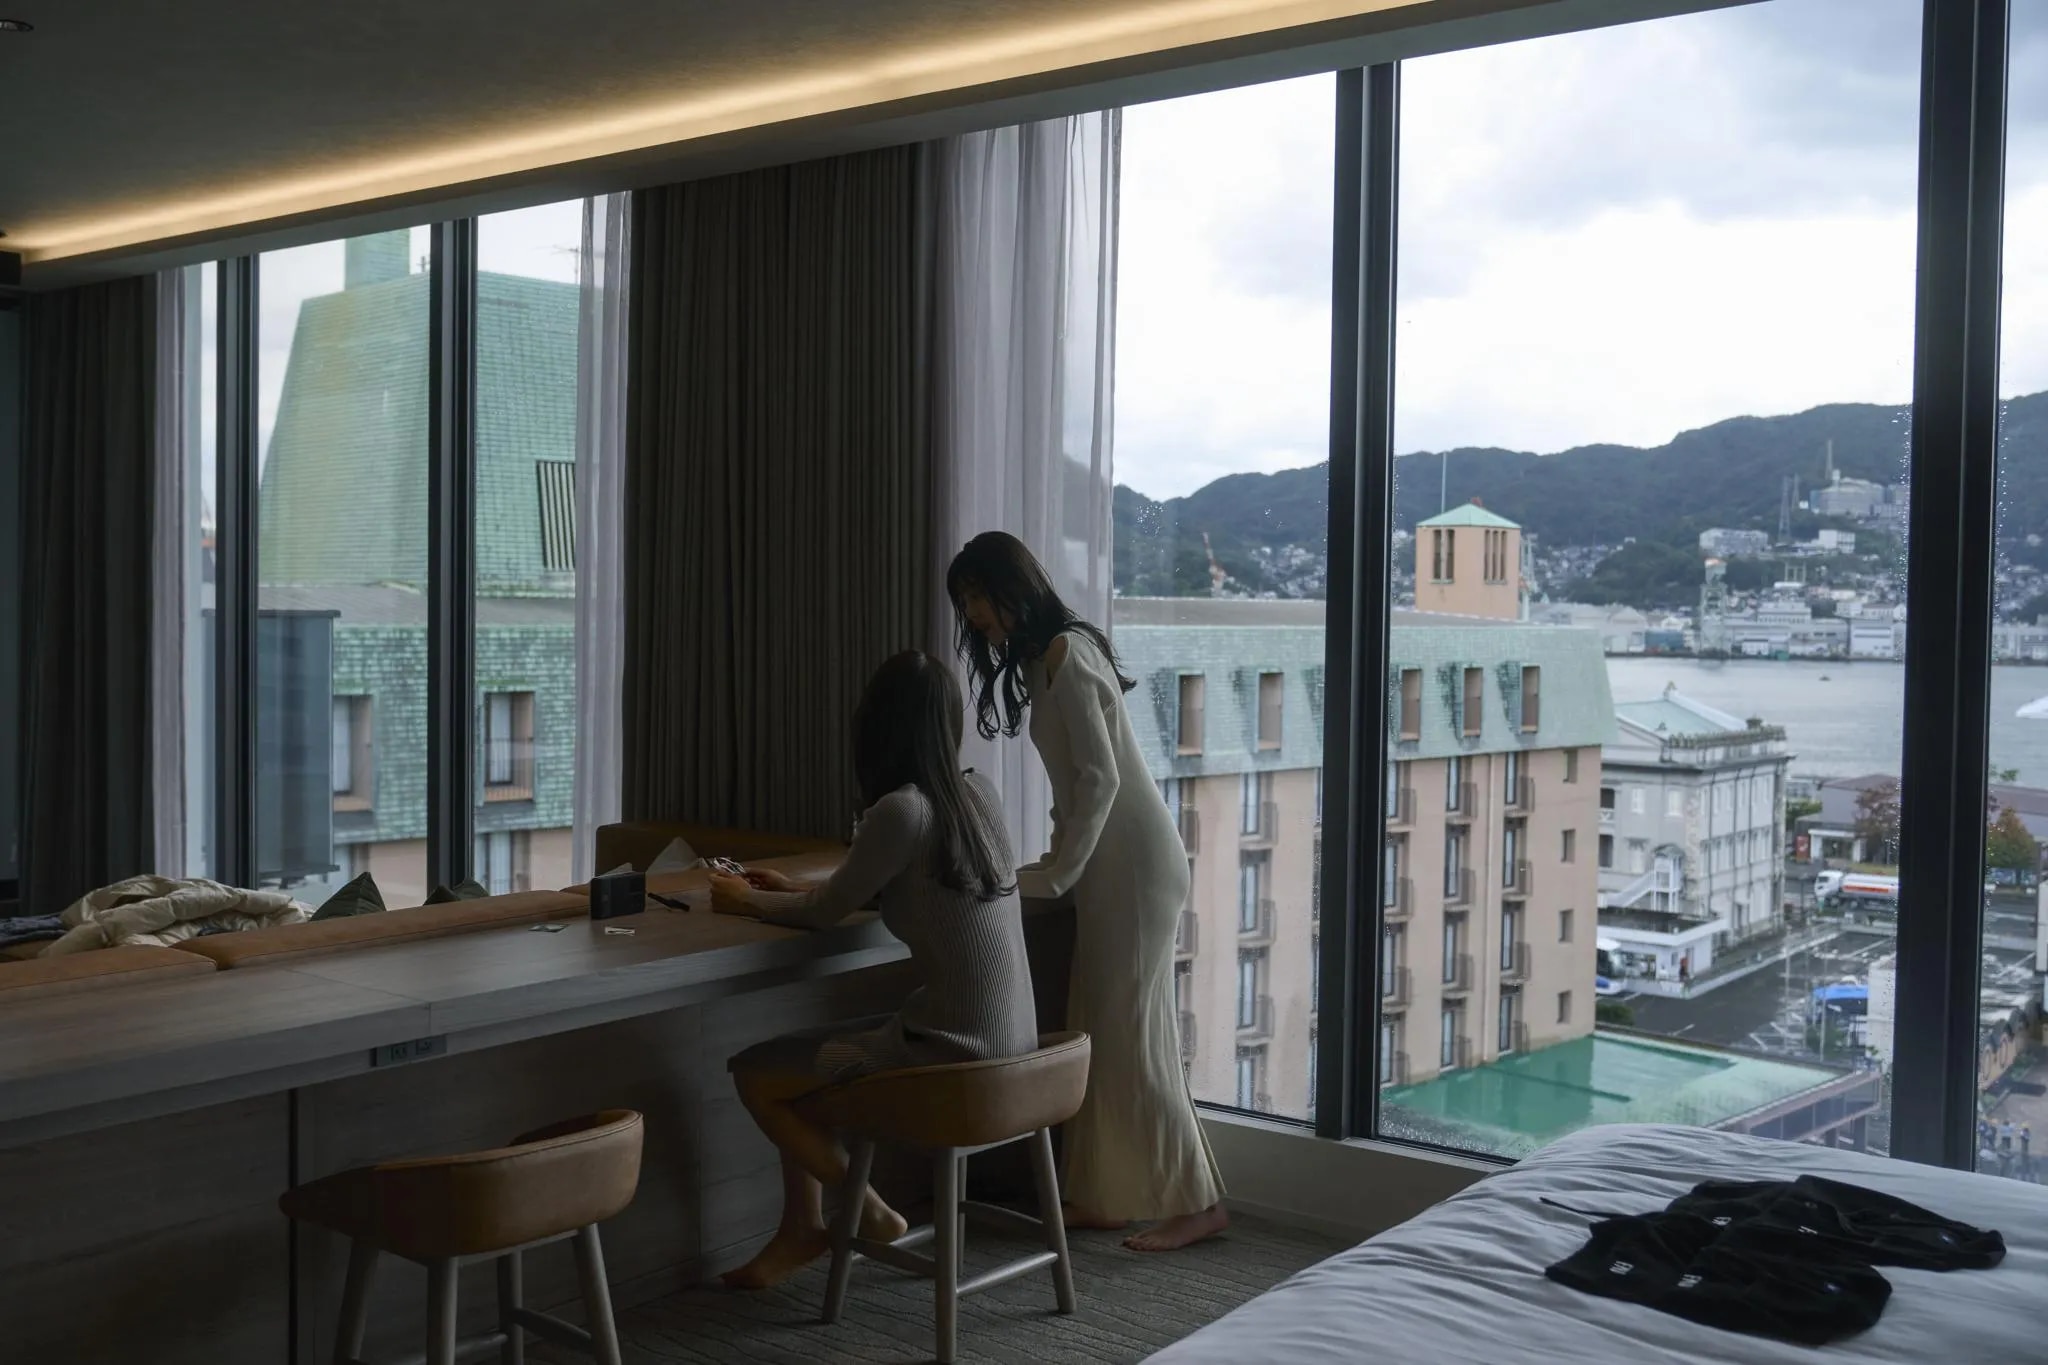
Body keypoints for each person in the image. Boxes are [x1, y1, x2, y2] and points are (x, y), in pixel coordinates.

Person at [708, 650, 1039, 1290]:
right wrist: (796, 890)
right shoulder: (978, 793)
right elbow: (910, 886)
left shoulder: (902, 810)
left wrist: (745, 899)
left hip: (950, 1056)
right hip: (1017, 1051)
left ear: (875, 727)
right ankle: (802, 1228)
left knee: (757, 1073)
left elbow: (824, 913)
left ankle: (869, 1213)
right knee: (804, 1066)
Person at [948, 530, 1228, 1253]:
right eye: (964, 600)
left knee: (1134, 1038)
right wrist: (1055, 861)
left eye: (977, 595)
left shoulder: (1068, 652)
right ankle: (1106, 1194)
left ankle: (1200, 1202)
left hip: (1132, 862)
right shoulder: (1042, 660)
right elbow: (1075, 787)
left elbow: (1101, 778)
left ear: (1011, 587)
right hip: (1109, 862)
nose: (972, 612)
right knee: (1099, 1031)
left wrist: (1059, 872)